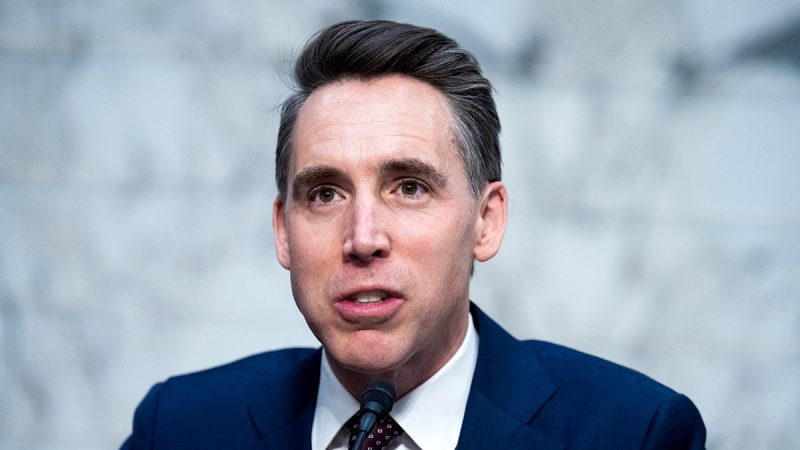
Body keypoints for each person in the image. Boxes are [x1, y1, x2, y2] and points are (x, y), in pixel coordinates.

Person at [121, 20, 706, 450]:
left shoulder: (635, 433)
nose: (363, 238)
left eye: (408, 187)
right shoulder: (177, 427)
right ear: (283, 232)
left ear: (486, 221)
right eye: (325, 194)